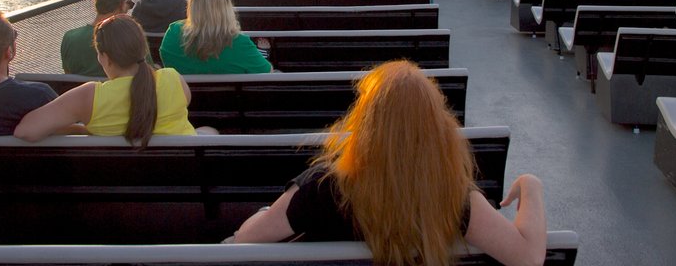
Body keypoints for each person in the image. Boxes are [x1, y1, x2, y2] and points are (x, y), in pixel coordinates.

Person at [230, 61, 547, 266]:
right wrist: (531, 186)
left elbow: (244, 240)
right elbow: (529, 258)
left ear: (366, 121)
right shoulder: (452, 195)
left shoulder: (322, 188)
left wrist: (265, 213)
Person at [15, 15, 198, 144]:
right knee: (207, 131)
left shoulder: (90, 97)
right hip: (182, 181)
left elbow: (26, 131)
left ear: (104, 57)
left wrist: (82, 129)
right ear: (142, 49)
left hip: (120, 188)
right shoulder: (173, 79)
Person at [159, 0, 272, 74]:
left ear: (192, 6)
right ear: (226, 9)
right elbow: (267, 73)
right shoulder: (239, 42)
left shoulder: (172, 34)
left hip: (185, 100)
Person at [61, 0, 138, 77]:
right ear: (123, 4)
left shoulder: (69, 39)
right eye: (130, 5)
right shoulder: (132, 37)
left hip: (84, 93)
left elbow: (68, 77)